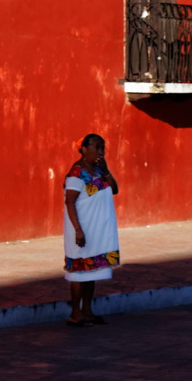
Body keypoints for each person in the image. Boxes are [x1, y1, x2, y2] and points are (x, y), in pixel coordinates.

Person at [63, 133, 120, 327]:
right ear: (84, 149)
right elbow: (69, 202)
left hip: (97, 232)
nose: (101, 152)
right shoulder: (76, 173)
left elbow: (115, 189)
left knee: (91, 271)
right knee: (79, 272)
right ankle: (75, 313)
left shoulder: (98, 170)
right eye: (97, 148)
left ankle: (87, 310)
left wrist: (106, 171)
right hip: (82, 231)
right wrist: (78, 230)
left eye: (103, 148)